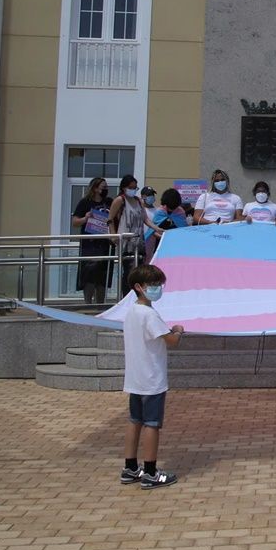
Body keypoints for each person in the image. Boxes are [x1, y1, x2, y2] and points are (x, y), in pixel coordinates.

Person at [119, 264, 185, 489]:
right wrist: (178, 330)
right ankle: (150, 472)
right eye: (153, 285)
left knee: (135, 421)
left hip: (135, 379)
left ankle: (130, 468)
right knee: (152, 425)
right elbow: (172, 341)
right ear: (139, 287)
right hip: (152, 381)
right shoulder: (149, 314)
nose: (157, 288)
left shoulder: (131, 312)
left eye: (159, 285)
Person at [109, 175, 165, 297]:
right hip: (126, 241)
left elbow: (145, 219)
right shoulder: (120, 200)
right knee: (129, 271)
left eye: (135, 187)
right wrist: (113, 235)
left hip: (139, 240)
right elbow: (110, 219)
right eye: (131, 187)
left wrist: (156, 228)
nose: (133, 190)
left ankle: (137, 296)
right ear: (124, 188)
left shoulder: (138, 201)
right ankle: (126, 297)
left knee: (139, 271)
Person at [72, 177, 114, 304]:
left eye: (106, 187)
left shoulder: (109, 202)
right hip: (90, 245)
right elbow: (75, 222)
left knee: (102, 275)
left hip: (105, 244)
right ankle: (88, 304)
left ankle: (100, 304)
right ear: (95, 188)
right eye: (103, 187)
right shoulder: (85, 202)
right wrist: (85, 218)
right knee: (89, 274)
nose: (105, 189)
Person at [146, 188, 187, 261]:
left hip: (177, 248)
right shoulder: (160, 212)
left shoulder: (181, 213)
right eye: (169, 207)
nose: (171, 210)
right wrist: (163, 237)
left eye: (173, 208)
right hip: (160, 247)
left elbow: (184, 231)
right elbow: (153, 231)